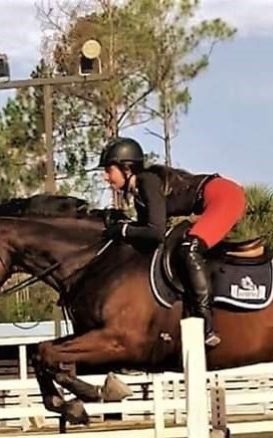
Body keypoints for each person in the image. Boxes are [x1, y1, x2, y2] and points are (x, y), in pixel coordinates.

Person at [99, 136, 246, 348]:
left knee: (190, 248)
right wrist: (121, 226)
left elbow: (155, 232)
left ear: (126, 167)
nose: (106, 177)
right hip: (214, 198)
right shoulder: (140, 193)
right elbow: (146, 236)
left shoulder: (147, 181)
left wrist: (121, 229)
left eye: (108, 170)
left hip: (225, 196)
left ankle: (205, 321)